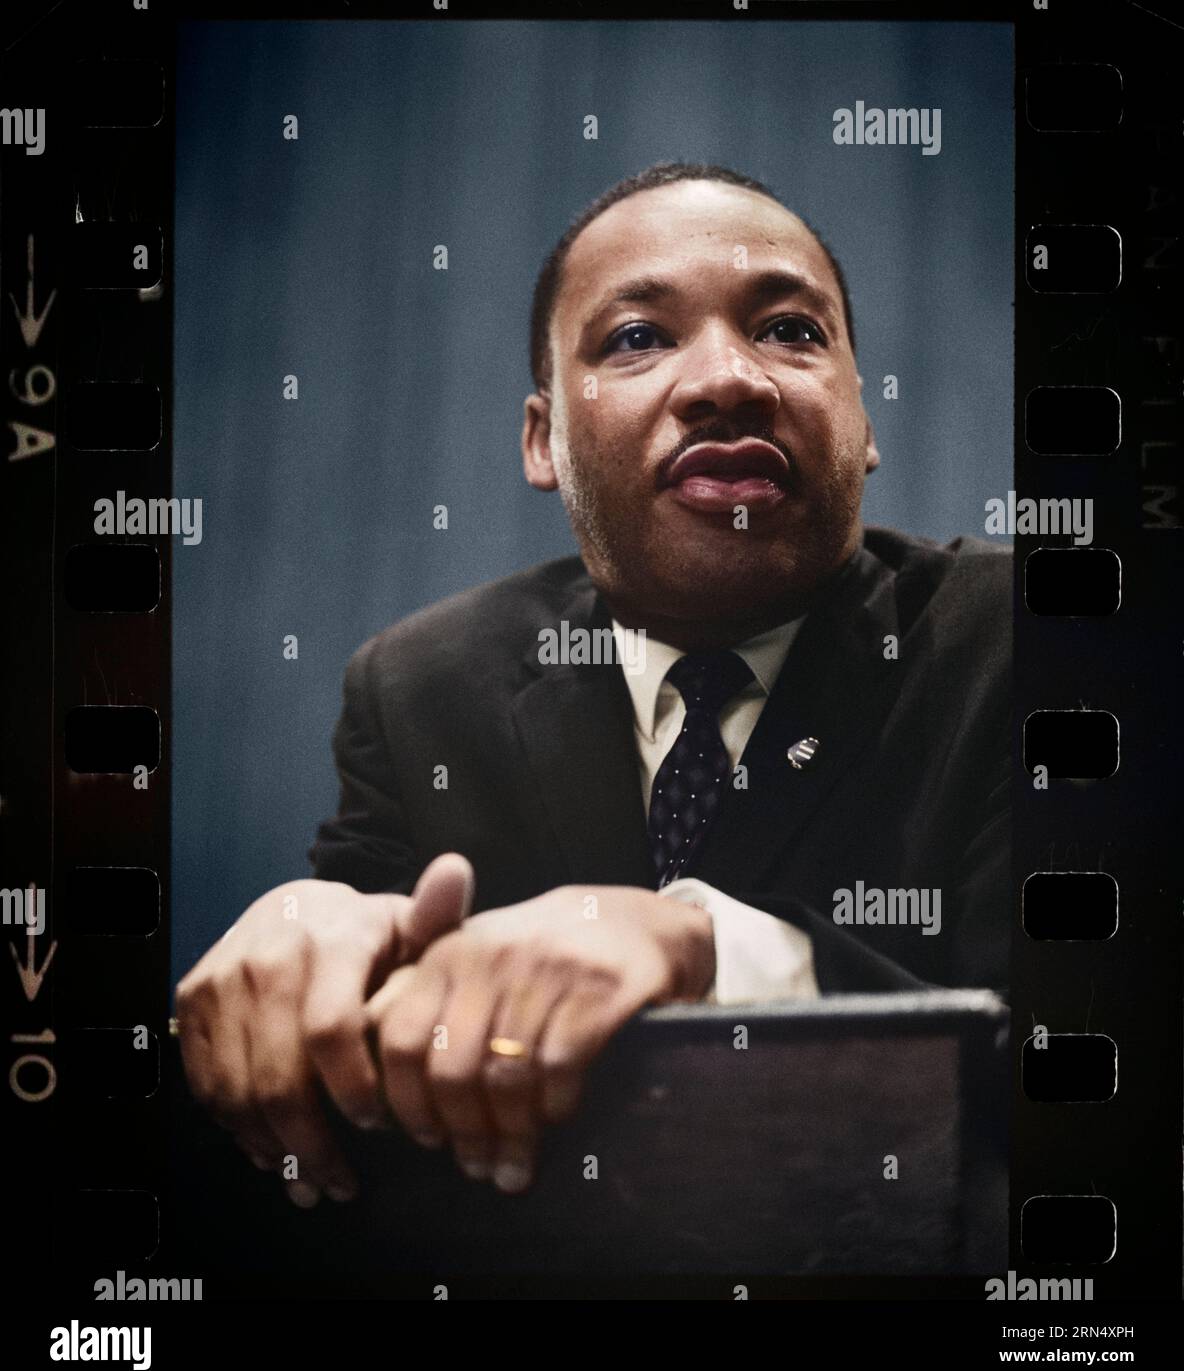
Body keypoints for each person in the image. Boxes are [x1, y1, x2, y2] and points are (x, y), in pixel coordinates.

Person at [176, 161, 1010, 1211]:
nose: (729, 379)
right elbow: (361, 1025)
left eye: (790, 330)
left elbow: (1076, 1070)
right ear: (543, 443)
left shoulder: (1021, 645)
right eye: (637, 338)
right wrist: (309, 932)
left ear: (861, 419)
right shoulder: (423, 686)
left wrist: (700, 946)